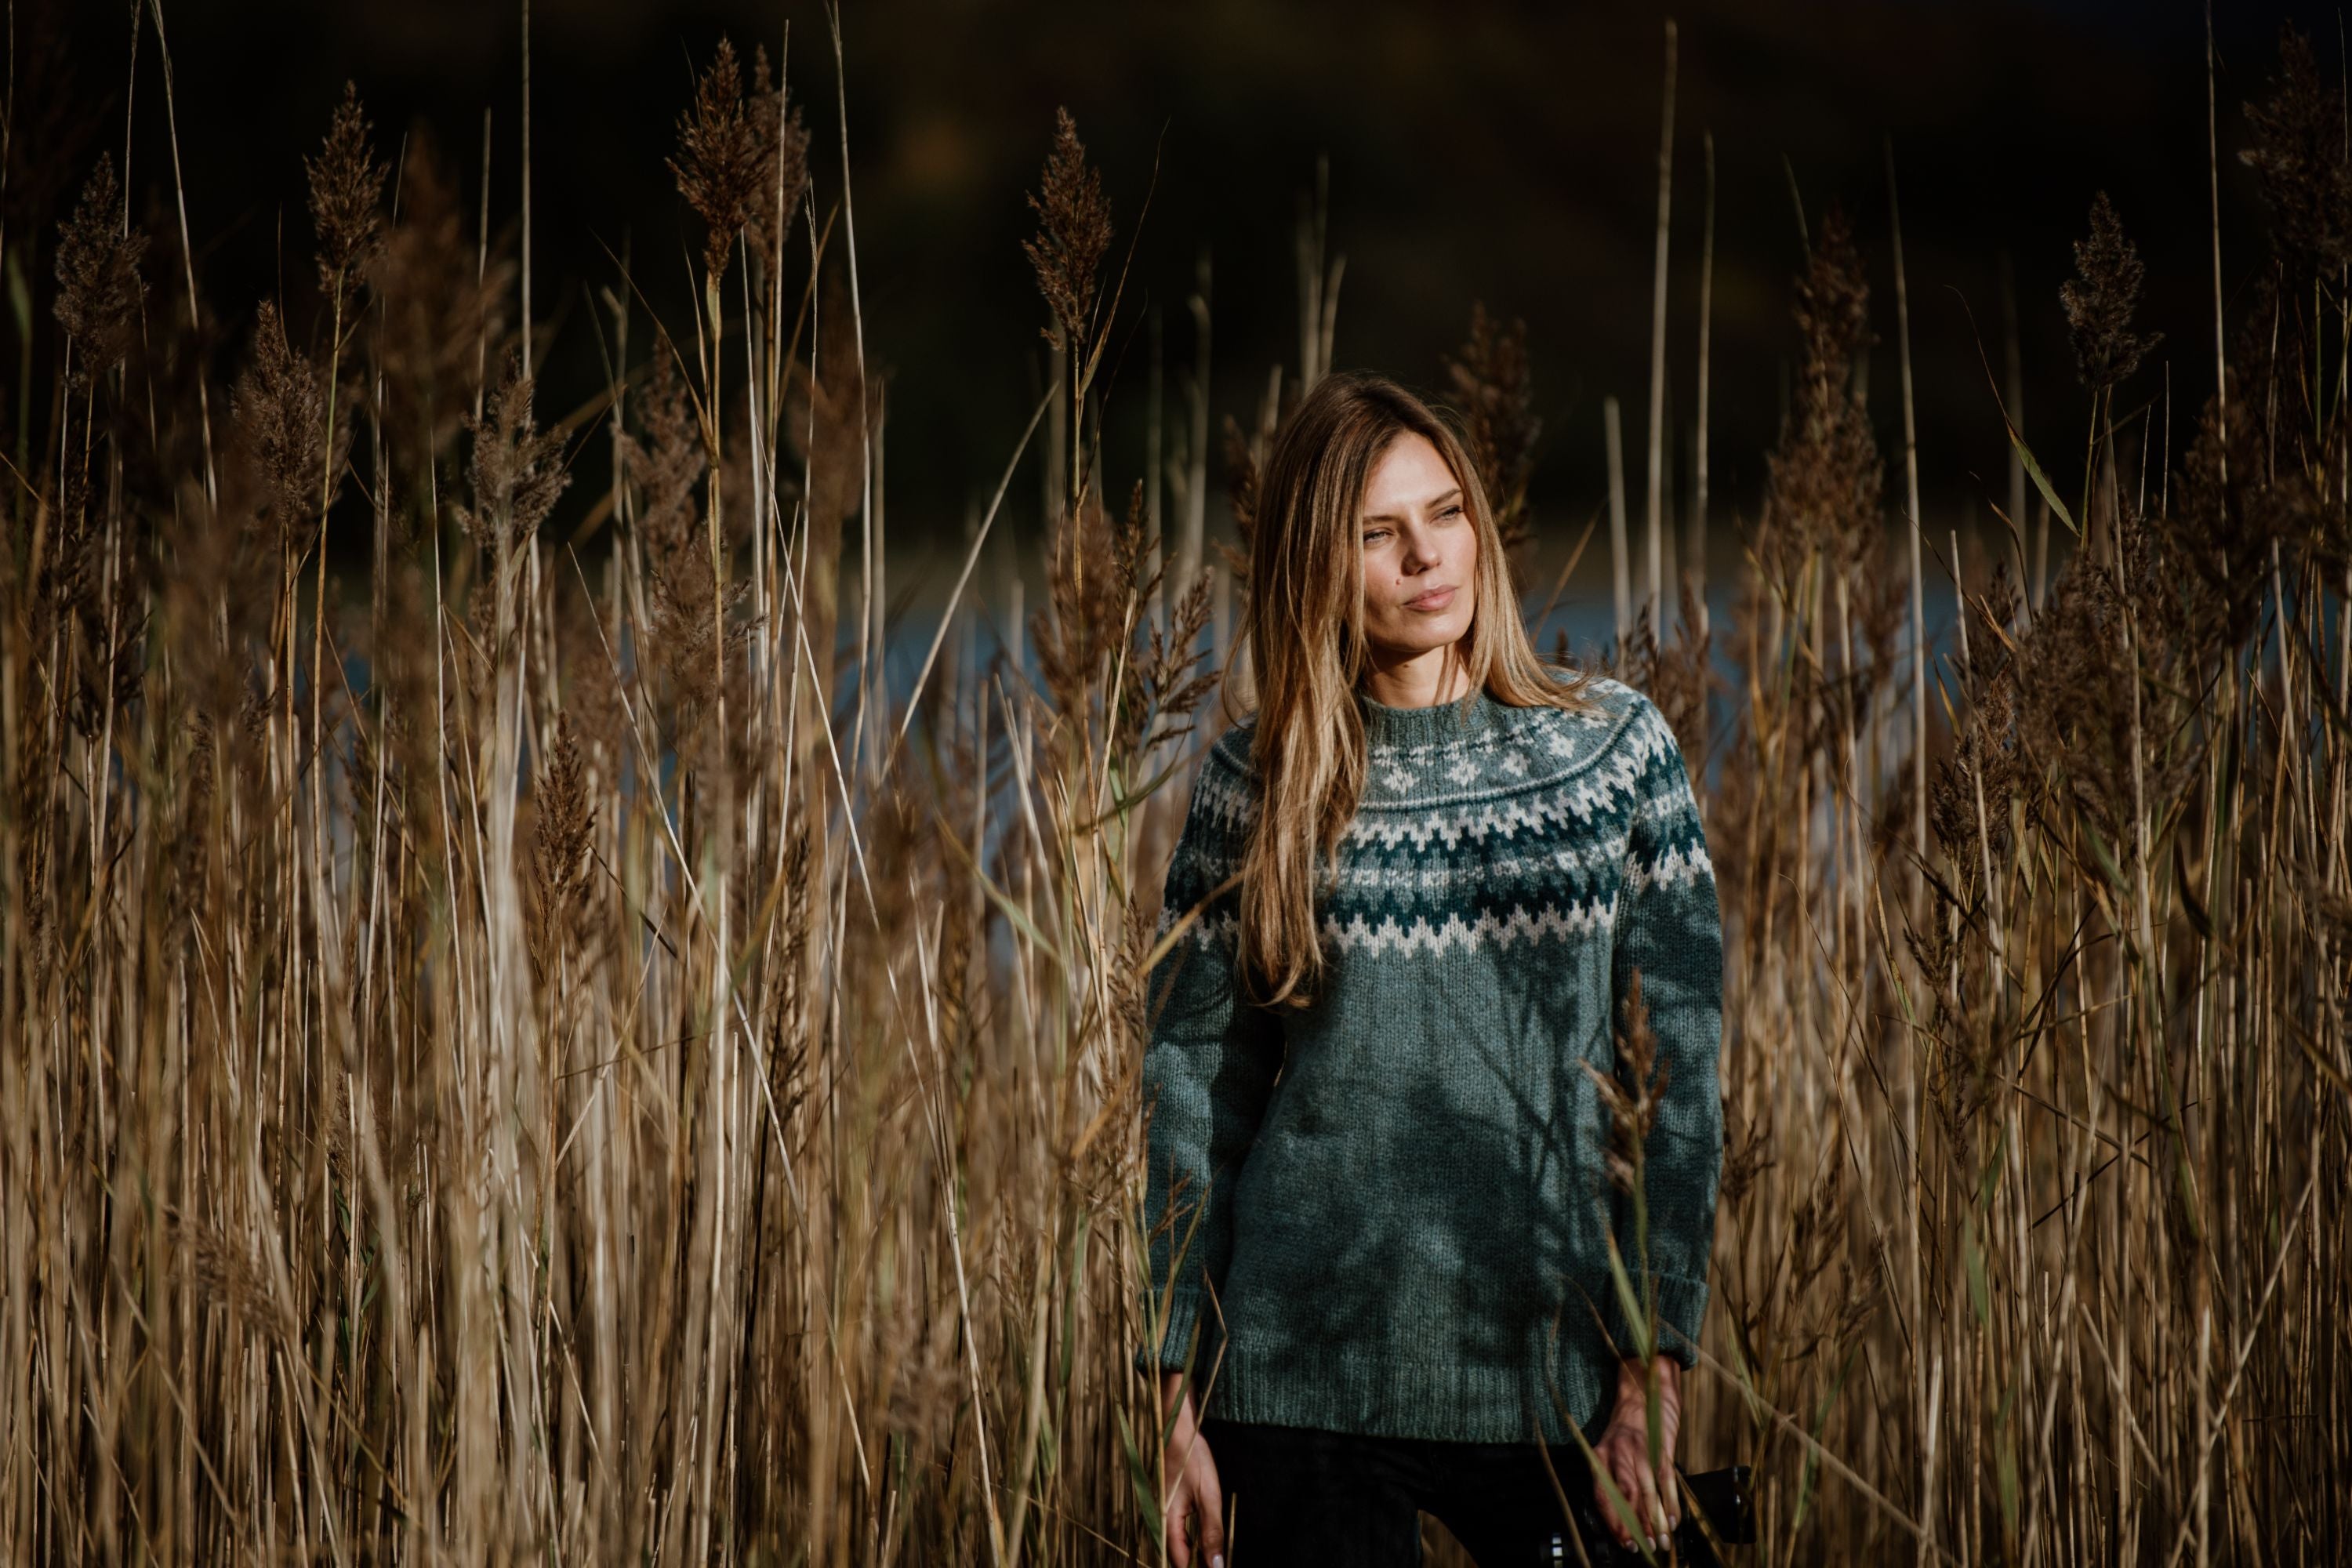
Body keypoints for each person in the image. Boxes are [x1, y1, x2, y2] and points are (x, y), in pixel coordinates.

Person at [1133, 370, 1726, 1566]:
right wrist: (1168, 1389)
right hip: (1300, 1382)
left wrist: (1652, 1367)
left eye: (1447, 513)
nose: (1427, 557)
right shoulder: (1259, 786)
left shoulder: (1610, 755)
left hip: (1552, 1373)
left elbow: (1682, 1075)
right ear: (1317, 562)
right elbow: (1195, 1095)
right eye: (1378, 532)